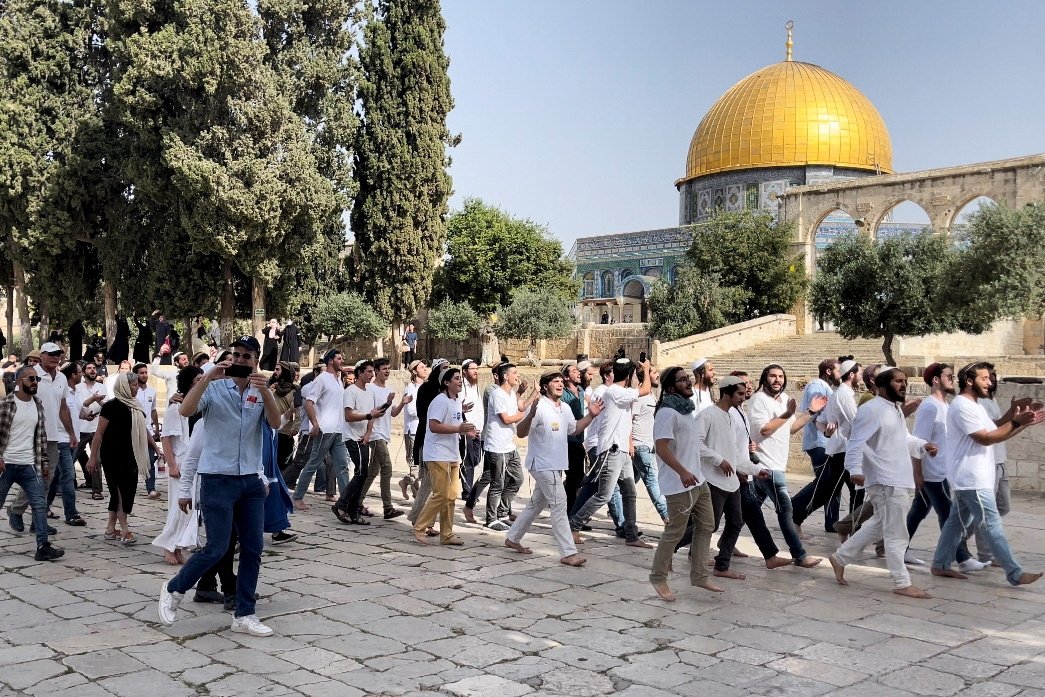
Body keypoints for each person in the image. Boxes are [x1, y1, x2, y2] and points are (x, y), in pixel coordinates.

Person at [158, 336, 282, 637]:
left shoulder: (259, 391)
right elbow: (186, 410)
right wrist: (210, 375)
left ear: (255, 361)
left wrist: (265, 391)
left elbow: (276, 422)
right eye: (236, 355)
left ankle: (244, 613)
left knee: (253, 549)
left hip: (250, 480)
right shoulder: (214, 388)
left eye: (247, 357)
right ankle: (174, 588)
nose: (240, 361)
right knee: (216, 547)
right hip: (217, 479)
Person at [931, 362, 1044, 586]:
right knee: (991, 524)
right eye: (984, 378)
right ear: (969, 381)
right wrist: (1015, 421)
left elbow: (995, 430)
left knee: (955, 523)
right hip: (971, 478)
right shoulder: (962, 405)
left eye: (990, 378)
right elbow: (985, 438)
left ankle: (940, 564)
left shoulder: (975, 405)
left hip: (971, 477)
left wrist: (1022, 422)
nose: (990, 382)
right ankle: (1014, 572)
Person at [828, 368, 935, 599]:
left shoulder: (894, 409)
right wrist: (854, 470)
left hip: (897, 477)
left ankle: (840, 558)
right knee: (896, 533)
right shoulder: (871, 410)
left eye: (905, 381)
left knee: (878, 524)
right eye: (899, 381)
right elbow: (856, 442)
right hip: (885, 479)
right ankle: (902, 582)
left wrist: (923, 446)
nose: (904, 385)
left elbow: (903, 438)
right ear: (883, 384)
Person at [504, 371, 601, 567]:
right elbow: (521, 432)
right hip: (541, 464)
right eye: (554, 381)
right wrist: (530, 413)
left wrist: (591, 415)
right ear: (545, 386)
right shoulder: (540, 407)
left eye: (560, 381)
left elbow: (573, 429)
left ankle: (513, 537)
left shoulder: (565, 408)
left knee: (536, 504)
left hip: (556, 465)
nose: (559, 384)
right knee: (559, 504)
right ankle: (568, 552)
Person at [649, 366, 722, 600]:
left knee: (707, 525)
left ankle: (699, 575)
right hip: (679, 483)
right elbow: (661, 448)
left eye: (688, 378)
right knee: (674, 531)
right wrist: (681, 471)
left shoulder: (686, 409)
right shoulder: (667, 413)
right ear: (671, 387)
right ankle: (658, 577)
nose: (688, 382)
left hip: (698, 481)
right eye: (682, 380)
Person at [747, 364, 826, 568]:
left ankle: (717, 545)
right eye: (772, 376)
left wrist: (810, 412)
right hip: (766, 466)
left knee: (746, 510)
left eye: (781, 376)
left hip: (775, 465)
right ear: (764, 378)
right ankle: (799, 555)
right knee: (786, 511)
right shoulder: (758, 400)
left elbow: (790, 429)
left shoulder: (784, 400)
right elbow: (764, 429)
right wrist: (785, 414)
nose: (777, 380)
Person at [905, 364, 982, 571]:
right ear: (936, 380)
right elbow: (917, 441)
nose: (953, 379)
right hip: (933, 474)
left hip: (945, 472)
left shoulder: (946, 407)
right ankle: (962, 558)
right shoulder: (929, 407)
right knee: (949, 516)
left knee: (918, 512)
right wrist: (918, 473)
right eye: (949, 376)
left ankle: (898, 548)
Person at [569, 358, 653, 547]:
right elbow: (646, 389)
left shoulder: (619, 393)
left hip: (621, 450)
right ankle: (573, 525)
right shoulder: (615, 392)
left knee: (629, 493)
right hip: (611, 450)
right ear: (629, 375)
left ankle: (631, 535)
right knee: (603, 494)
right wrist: (646, 370)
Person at [9, 342, 81, 532]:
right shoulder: (30, 374)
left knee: (46, 479)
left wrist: (71, 432)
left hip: (52, 435)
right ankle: (16, 511)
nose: (56, 357)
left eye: (58, 354)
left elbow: (63, 407)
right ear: (42, 355)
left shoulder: (61, 379)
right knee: (32, 477)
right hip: (30, 435)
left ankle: (36, 521)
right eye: (51, 354)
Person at [87, 371, 161, 545]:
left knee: (126, 491)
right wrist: (92, 457)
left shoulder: (135, 406)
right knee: (120, 491)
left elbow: (143, 430)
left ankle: (110, 529)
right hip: (112, 455)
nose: (136, 387)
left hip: (131, 454)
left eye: (136, 384)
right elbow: (99, 434)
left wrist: (156, 447)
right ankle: (125, 529)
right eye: (133, 385)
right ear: (124, 386)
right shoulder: (110, 407)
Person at [0, 366, 65, 561]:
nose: (35, 382)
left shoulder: (38, 405)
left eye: (36, 379)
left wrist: (44, 463)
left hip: (29, 464)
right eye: (31, 379)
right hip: (7, 465)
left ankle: (43, 546)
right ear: (20, 382)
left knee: (39, 503)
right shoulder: (6, 405)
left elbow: (41, 438)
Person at [412, 366, 474, 546]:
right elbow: (433, 426)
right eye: (456, 378)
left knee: (451, 495)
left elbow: (455, 425)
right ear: (446, 383)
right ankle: (419, 527)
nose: (460, 381)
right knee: (440, 494)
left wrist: (467, 432)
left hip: (452, 454)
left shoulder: (455, 401)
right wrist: (458, 429)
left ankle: (447, 534)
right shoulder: (439, 401)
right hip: (437, 454)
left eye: (460, 378)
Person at [152, 366, 204, 563]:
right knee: (178, 506)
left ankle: (179, 546)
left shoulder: (200, 404)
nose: (201, 382)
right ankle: (168, 545)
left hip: (197, 462)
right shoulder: (176, 407)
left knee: (192, 510)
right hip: (181, 461)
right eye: (197, 379)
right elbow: (166, 438)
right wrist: (171, 464)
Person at [474, 363, 533, 531]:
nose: (517, 375)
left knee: (517, 479)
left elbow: (521, 407)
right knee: (497, 483)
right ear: (505, 376)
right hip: (496, 445)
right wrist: (526, 414)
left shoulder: (511, 394)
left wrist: (534, 393)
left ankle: (503, 513)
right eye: (514, 372)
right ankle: (491, 519)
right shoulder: (497, 394)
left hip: (509, 444)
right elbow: (506, 419)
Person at [291, 349, 350, 510]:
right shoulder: (322, 380)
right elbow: (309, 402)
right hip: (325, 429)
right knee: (313, 463)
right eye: (339, 358)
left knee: (342, 466)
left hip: (338, 430)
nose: (342, 360)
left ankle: (346, 501)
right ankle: (297, 497)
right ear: (331, 361)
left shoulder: (338, 380)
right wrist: (315, 424)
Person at [362, 358, 409, 520]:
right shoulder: (370, 389)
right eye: (384, 368)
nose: (387, 371)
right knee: (387, 468)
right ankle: (388, 507)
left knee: (372, 472)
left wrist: (402, 403)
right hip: (375, 435)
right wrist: (388, 403)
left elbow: (393, 413)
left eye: (389, 368)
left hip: (384, 434)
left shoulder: (387, 389)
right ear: (376, 370)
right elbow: (373, 413)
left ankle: (356, 502)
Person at [799, 358, 840, 530]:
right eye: (838, 370)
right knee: (824, 483)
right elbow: (814, 412)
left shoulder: (825, 388)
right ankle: (795, 509)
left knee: (832, 484)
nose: (841, 374)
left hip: (827, 442)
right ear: (829, 371)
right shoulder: (817, 386)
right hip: (819, 442)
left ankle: (832, 523)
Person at [399, 359, 427, 500]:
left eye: (425, 366)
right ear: (415, 371)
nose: (425, 369)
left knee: (423, 466)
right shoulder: (410, 388)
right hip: (413, 430)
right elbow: (411, 410)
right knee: (415, 465)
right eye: (422, 367)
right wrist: (427, 412)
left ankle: (405, 482)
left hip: (425, 431)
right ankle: (418, 497)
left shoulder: (427, 387)